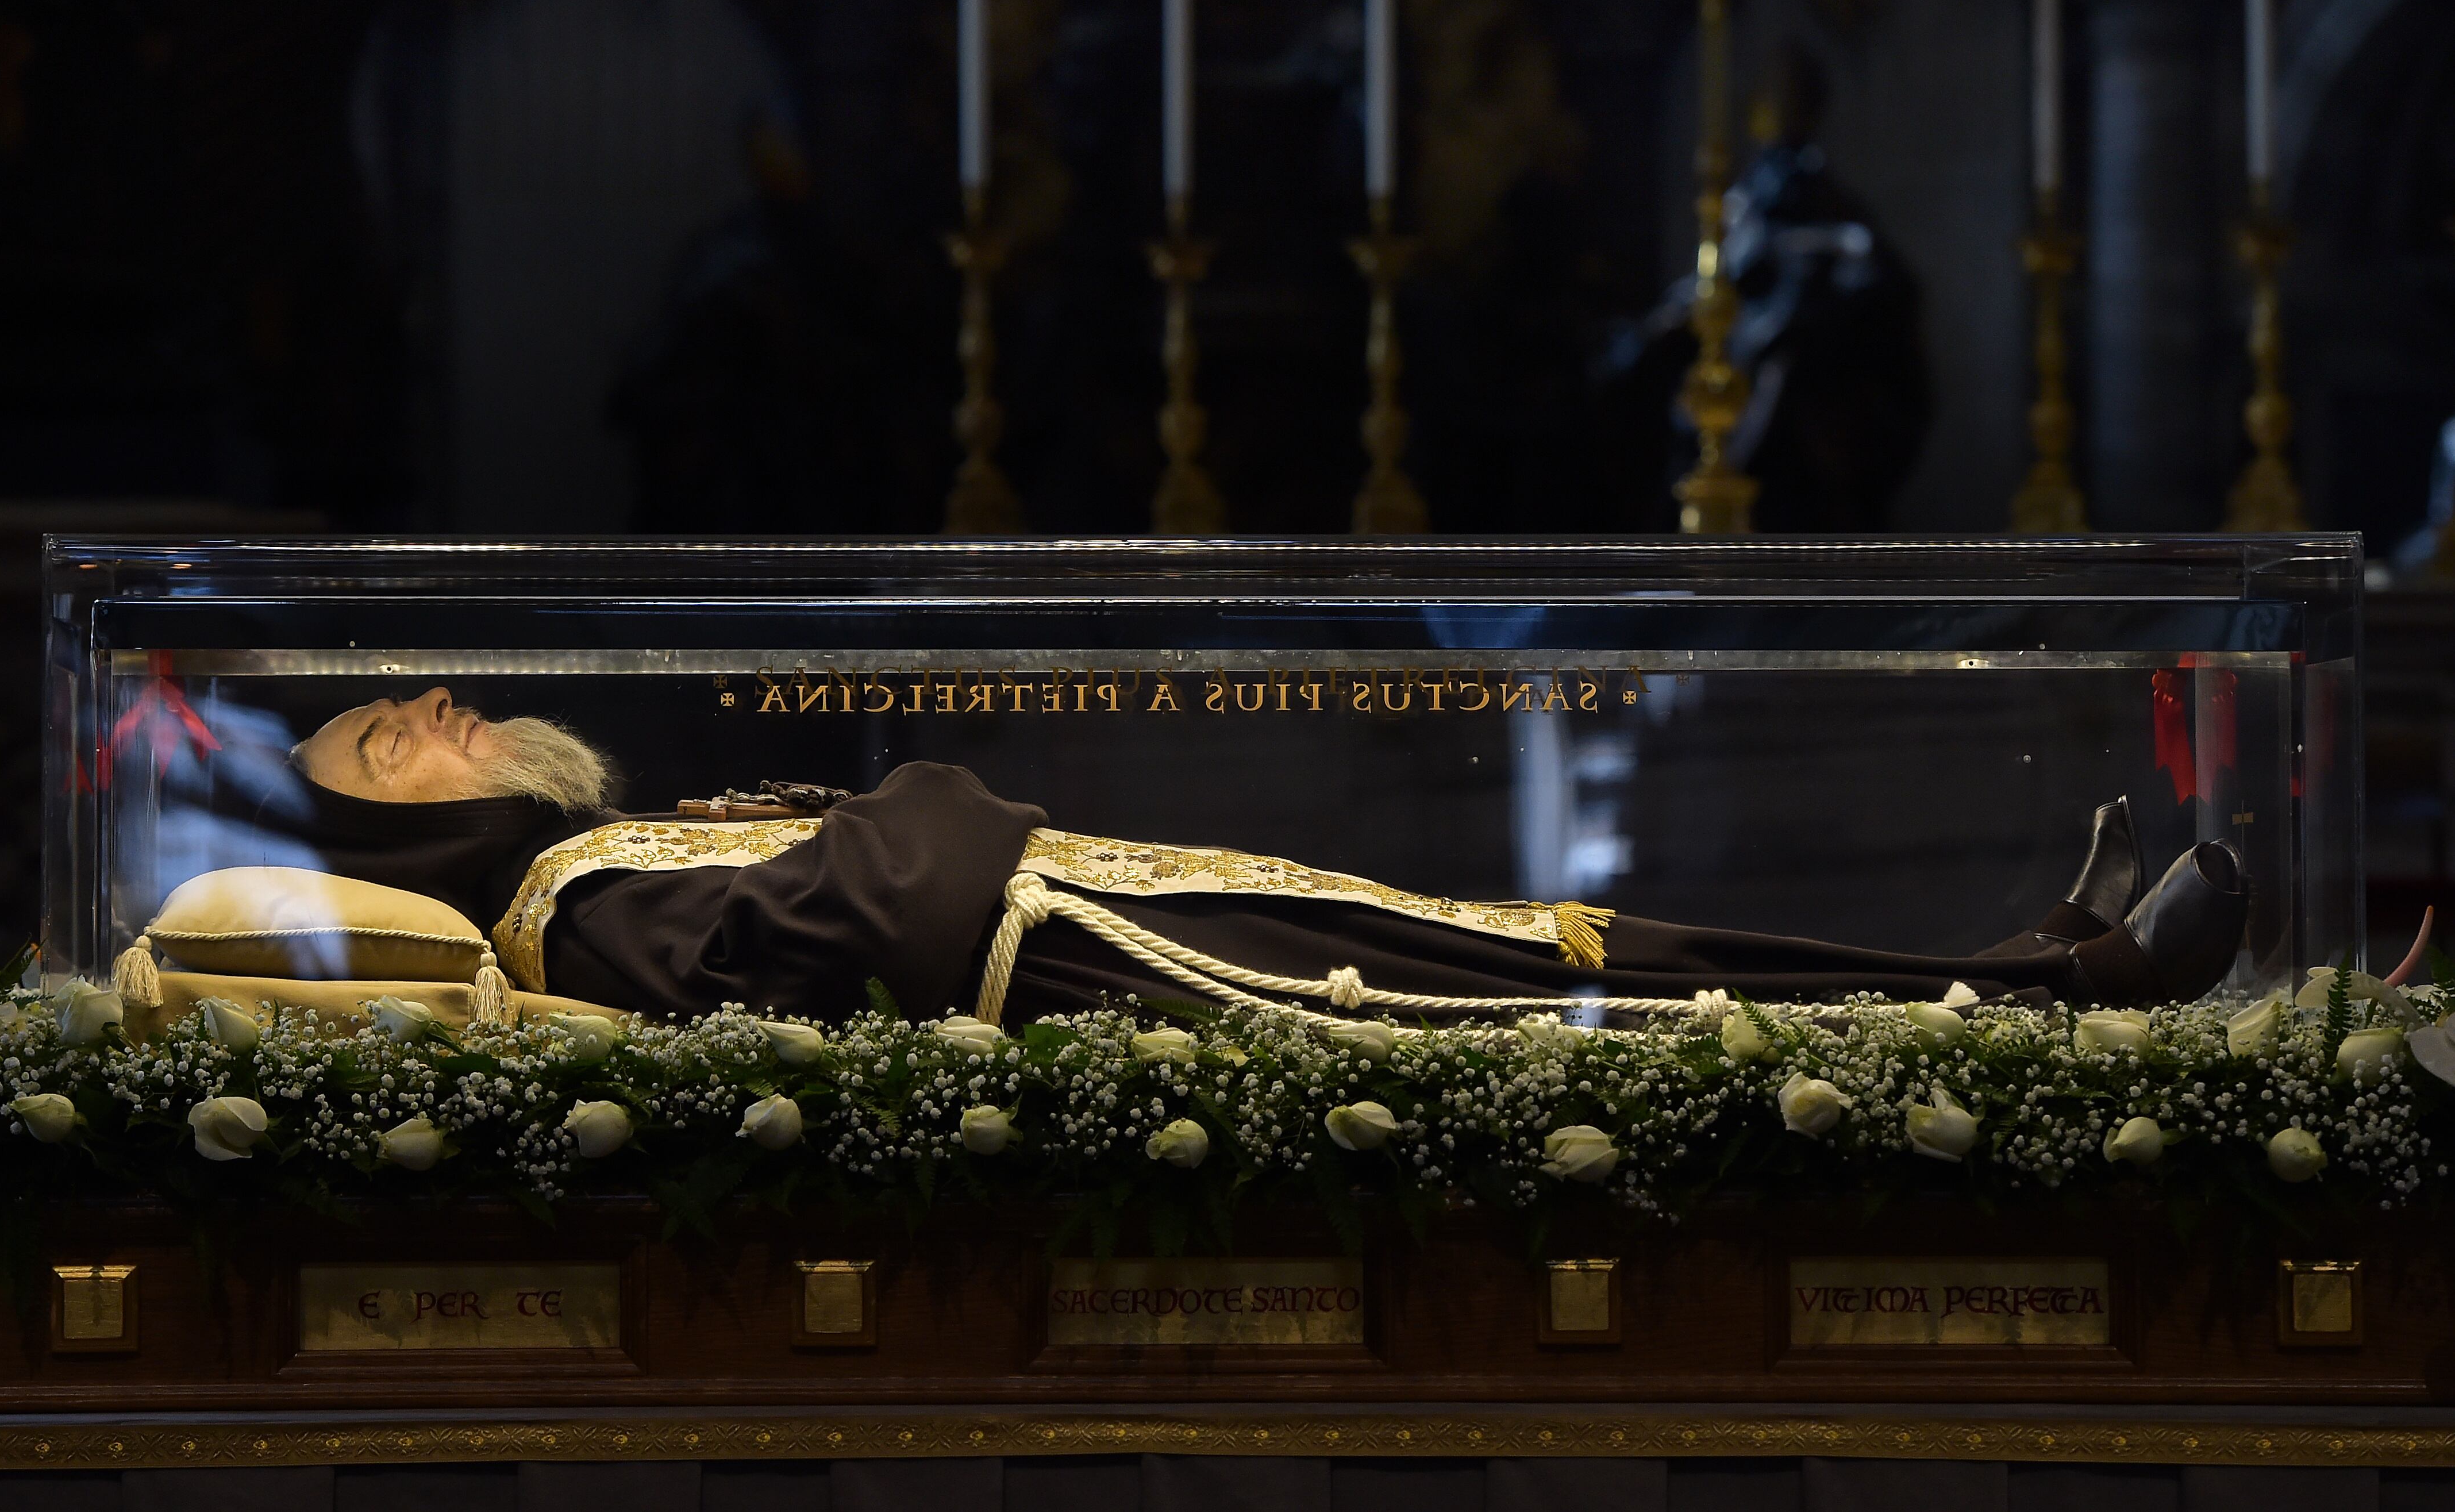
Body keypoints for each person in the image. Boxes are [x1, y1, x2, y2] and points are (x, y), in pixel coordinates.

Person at [268, 688, 2251, 1029]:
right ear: (405, 826)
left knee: (1564, 945)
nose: (434, 711)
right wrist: (930, 787)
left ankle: (2015, 967)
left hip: (1113, 918)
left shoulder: (600, 859)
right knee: (1584, 995)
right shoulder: (570, 904)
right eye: (392, 742)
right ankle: (2053, 992)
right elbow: (894, 886)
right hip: (1108, 960)